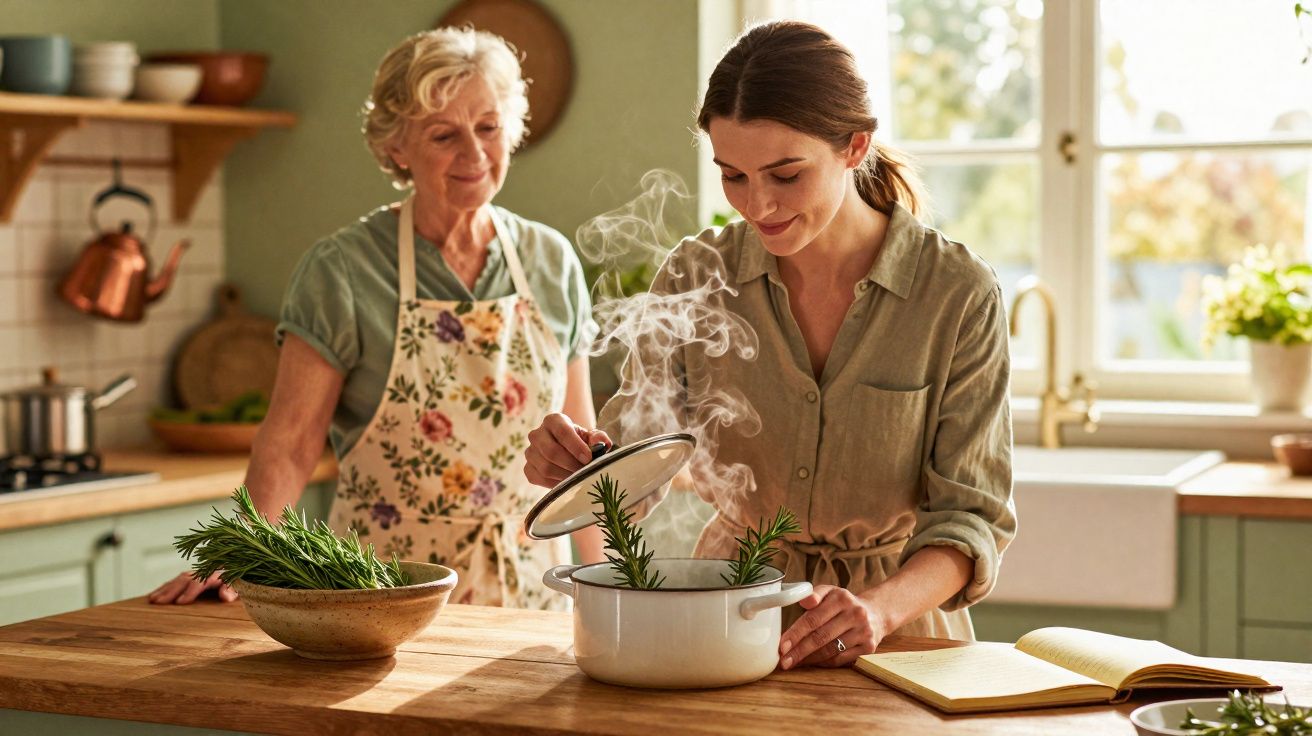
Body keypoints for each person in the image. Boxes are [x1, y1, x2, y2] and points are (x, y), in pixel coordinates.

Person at [525, 21, 1014, 668]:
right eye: (733, 175)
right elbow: (636, 464)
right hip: (727, 614)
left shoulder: (956, 295)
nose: (758, 206)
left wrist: (877, 609)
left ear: (854, 146)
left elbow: (969, 521)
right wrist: (581, 466)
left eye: (786, 175)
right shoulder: (696, 276)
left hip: (895, 636)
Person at [151, 27, 603, 608]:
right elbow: (289, 444)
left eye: (488, 127)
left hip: (530, 597)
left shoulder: (550, 260)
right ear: (396, 148)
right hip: (381, 599)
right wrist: (244, 552)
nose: (474, 154)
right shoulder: (342, 270)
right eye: (444, 134)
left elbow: (581, 459)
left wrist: (617, 590)